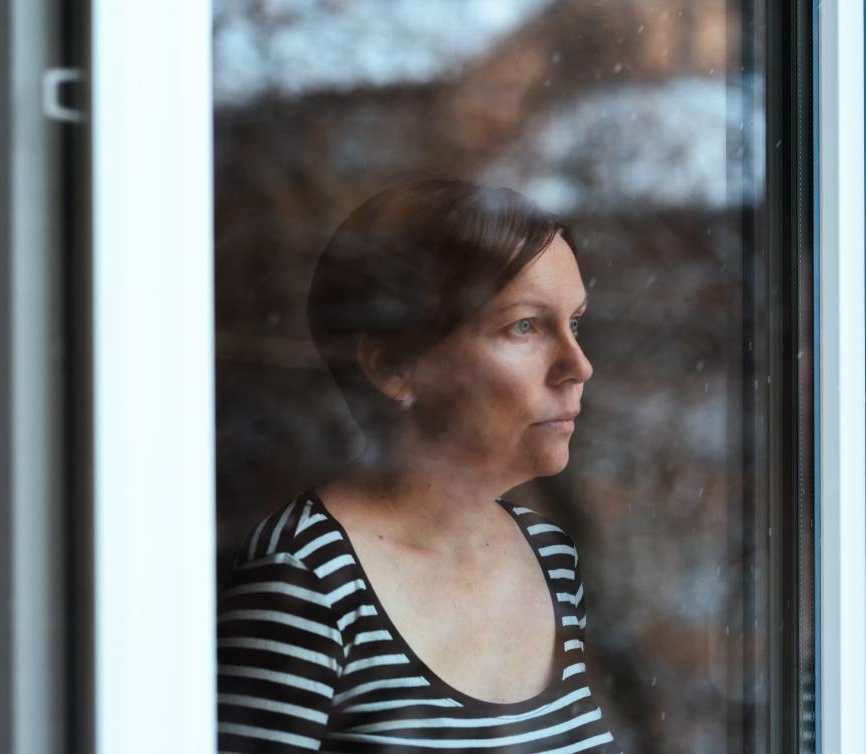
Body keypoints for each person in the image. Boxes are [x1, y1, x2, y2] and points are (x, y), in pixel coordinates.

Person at [217, 179, 620, 753]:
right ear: (394, 367)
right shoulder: (306, 581)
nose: (578, 365)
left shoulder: (550, 556)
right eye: (524, 326)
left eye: (574, 323)